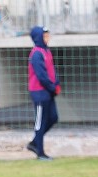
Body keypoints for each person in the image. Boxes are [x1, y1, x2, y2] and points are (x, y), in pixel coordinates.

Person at [26, 26, 61, 161]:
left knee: (53, 117)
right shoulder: (36, 54)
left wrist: (56, 84)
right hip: (39, 92)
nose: (47, 38)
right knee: (40, 122)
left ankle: (35, 142)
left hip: (48, 92)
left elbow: (52, 71)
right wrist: (52, 87)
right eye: (45, 36)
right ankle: (40, 152)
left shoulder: (46, 52)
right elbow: (42, 75)